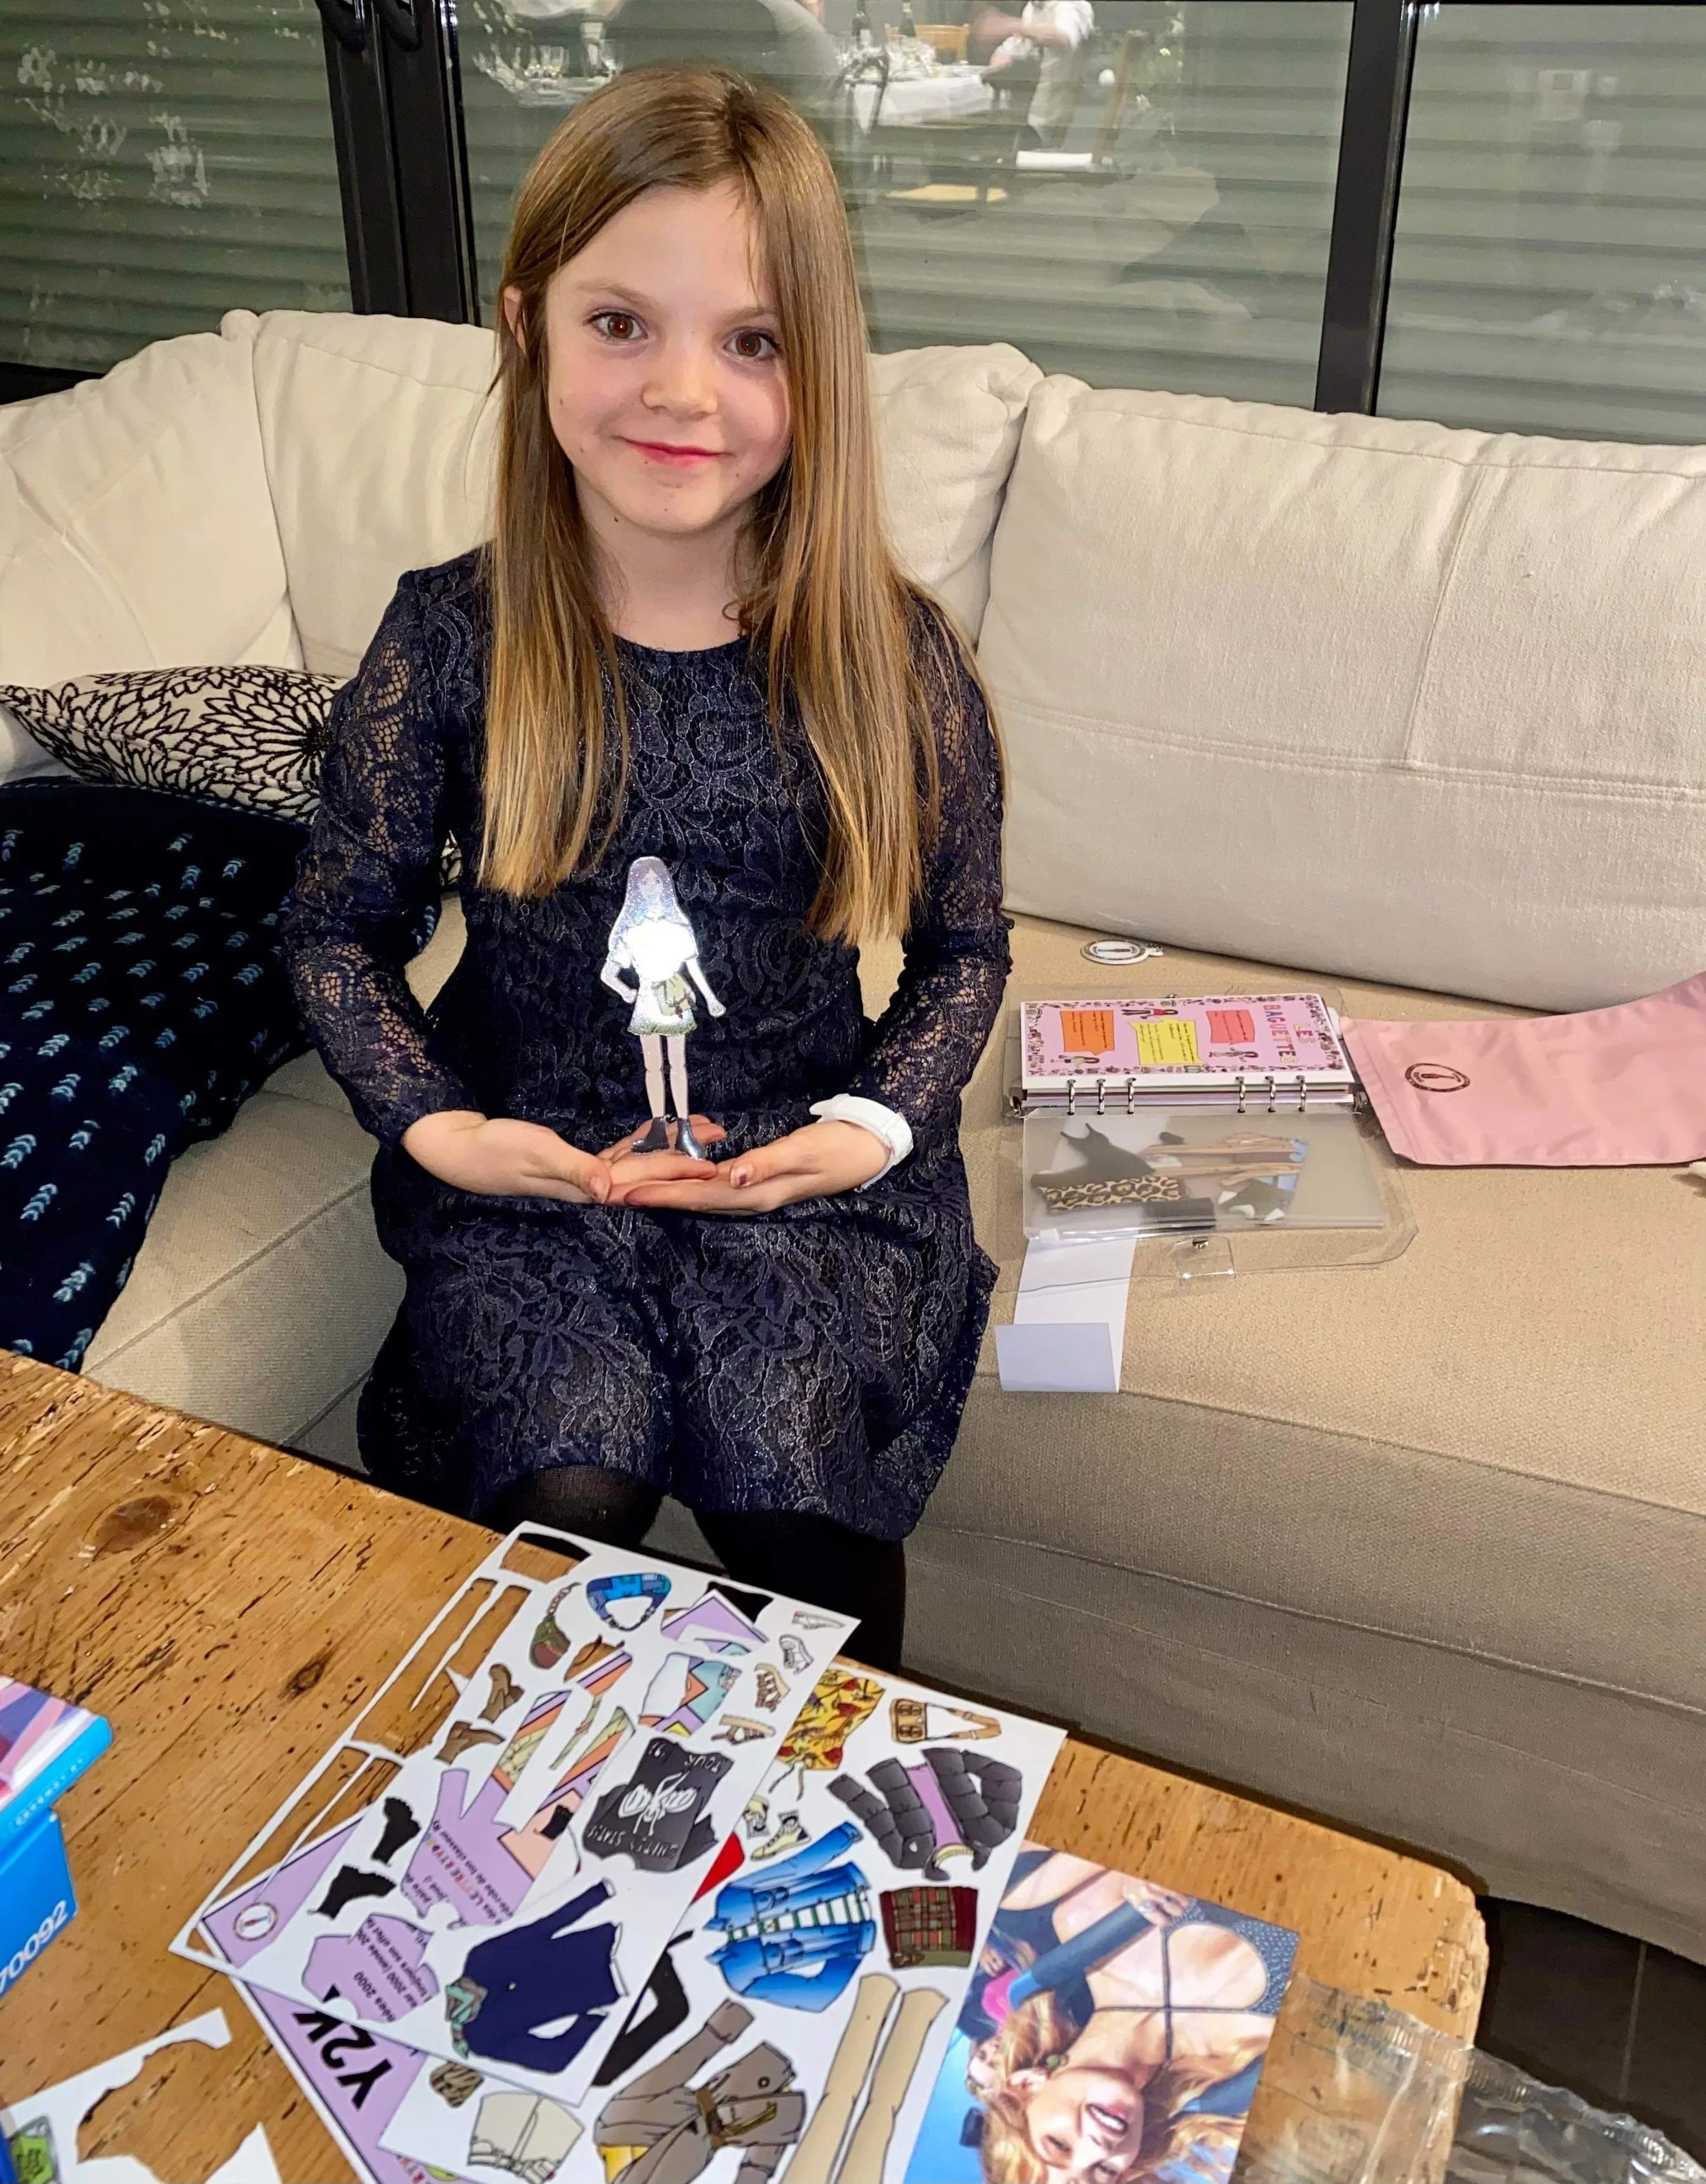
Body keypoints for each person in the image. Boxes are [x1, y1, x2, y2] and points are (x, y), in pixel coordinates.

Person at [280, 65, 1008, 1672]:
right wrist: (445, 1129)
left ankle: (824, 1821)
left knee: (791, 1484)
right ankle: (524, 1837)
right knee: (568, 1473)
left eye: (750, 340)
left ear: (814, 368)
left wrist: (868, 1125)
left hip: (793, 1149)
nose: (684, 390)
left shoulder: (890, 652)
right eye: (624, 323)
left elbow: (965, 951)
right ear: (528, 326)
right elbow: (335, 927)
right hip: (533, 1150)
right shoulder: (448, 633)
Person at [968, 1852, 1292, 2182]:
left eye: (1059, 2145)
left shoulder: (1033, 1906)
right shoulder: (1241, 2071)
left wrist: (1142, 1853)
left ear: (1026, 2085)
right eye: (1104, 2171)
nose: (1099, 2148)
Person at [974, 0, 1094, 145]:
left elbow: (1064, 38)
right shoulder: (1033, 8)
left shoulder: (1071, 6)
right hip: (1020, 119)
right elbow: (1016, 46)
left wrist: (1011, 25)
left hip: (1047, 124)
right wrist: (999, 61)